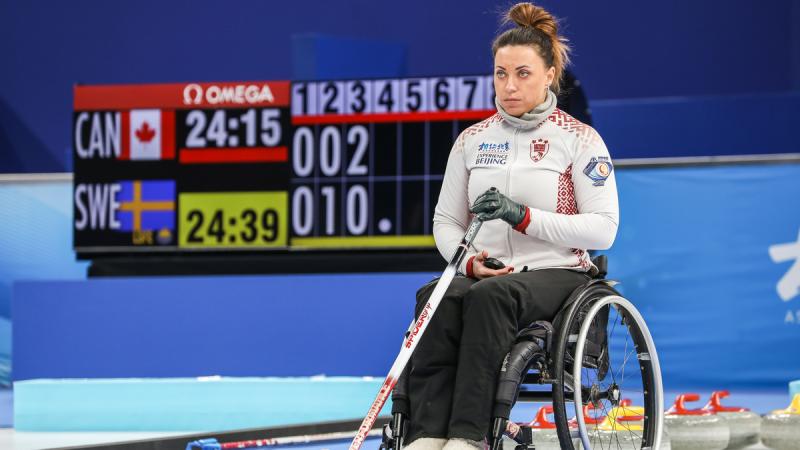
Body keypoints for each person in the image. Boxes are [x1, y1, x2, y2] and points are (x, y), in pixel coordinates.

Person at [402, 3, 619, 450]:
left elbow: (603, 230)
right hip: (487, 271)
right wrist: (467, 262)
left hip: (557, 272)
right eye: (501, 74)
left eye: (522, 73)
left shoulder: (578, 139)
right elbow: (446, 221)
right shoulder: (472, 140)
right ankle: (427, 437)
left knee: (492, 299)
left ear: (550, 73)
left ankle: (468, 436)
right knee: (437, 296)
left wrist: (522, 216)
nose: (509, 85)